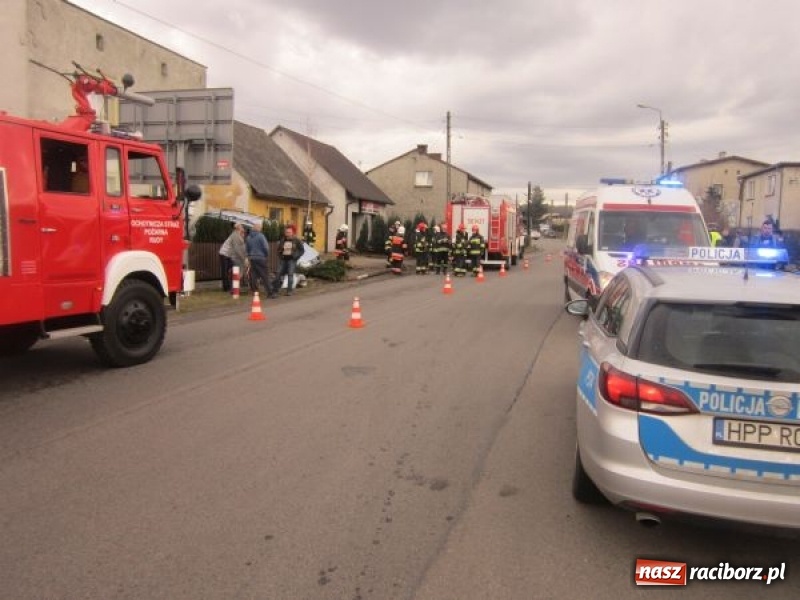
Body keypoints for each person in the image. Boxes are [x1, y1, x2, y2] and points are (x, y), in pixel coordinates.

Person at [272, 224, 305, 296]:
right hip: (283, 260)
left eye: (289, 232)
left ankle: (289, 291)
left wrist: (296, 256)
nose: (287, 234)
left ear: (292, 232)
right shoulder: (283, 240)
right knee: (278, 274)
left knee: (290, 274)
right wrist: (280, 254)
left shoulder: (296, 240)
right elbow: (279, 249)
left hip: (292, 260)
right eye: (286, 232)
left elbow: (302, 250)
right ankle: (275, 291)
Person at [219, 223, 248, 292]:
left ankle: (232, 285)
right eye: (241, 227)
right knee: (225, 271)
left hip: (229, 255)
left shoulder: (238, 235)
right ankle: (226, 287)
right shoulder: (235, 235)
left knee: (232, 269)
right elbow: (237, 249)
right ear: (238, 228)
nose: (243, 228)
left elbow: (241, 247)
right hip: (224, 254)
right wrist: (244, 259)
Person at [246, 221, 271, 296]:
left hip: (252, 258)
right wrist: (266, 255)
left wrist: (249, 256)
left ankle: (255, 291)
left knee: (253, 275)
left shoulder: (248, 237)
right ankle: (270, 292)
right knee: (264, 275)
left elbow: (247, 249)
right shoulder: (261, 236)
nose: (261, 229)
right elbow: (266, 247)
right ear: (259, 229)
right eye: (261, 228)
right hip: (260, 258)